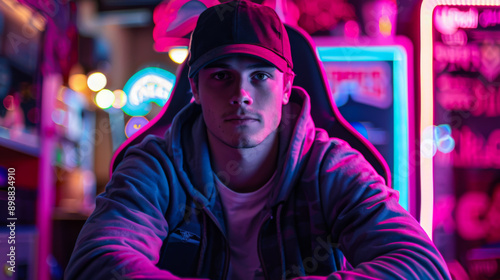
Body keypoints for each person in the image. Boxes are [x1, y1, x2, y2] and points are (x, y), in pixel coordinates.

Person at [65, 1, 451, 279]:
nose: (242, 94)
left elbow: (421, 266)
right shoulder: (156, 165)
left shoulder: (329, 166)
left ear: (286, 89)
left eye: (261, 75)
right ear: (194, 89)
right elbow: (96, 262)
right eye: (221, 76)